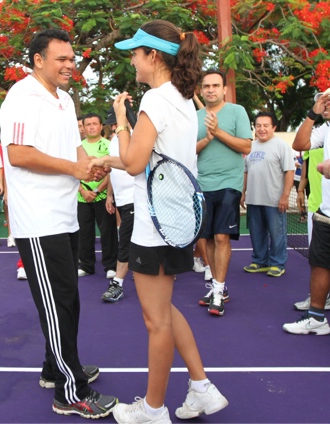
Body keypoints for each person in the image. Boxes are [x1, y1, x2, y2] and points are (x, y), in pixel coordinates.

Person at [92, 20, 228, 422]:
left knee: (155, 321)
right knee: (165, 311)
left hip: (155, 225)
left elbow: (134, 162)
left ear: (153, 55)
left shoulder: (154, 99)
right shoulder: (184, 100)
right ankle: (201, 387)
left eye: (135, 53)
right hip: (178, 220)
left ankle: (152, 409)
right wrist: (109, 159)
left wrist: (105, 157)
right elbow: (147, 160)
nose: (132, 60)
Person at [0, 29, 117, 419]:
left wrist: (88, 169)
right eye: (62, 59)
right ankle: (70, 392)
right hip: (38, 219)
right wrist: (74, 168)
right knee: (57, 303)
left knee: (68, 299)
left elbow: (75, 149)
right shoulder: (22, 97)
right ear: (38, 60)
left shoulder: (65, 99)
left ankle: (57, 367)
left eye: (72, 58)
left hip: (65, 214)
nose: (71, 65)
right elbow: (17, 154)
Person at [195, 69, 253, 316]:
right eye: (206, 86)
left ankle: (218, 290)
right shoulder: (194, 116)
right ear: (201, 89)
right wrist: (207, 139)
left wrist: (217, 132)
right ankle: (218, 286)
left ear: (224, 89)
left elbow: (246, 146)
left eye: (215, 85)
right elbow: (188, 150)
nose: (211, 90)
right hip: (202, 184)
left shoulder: (237, 112)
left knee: (221, 237)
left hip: (229, 183)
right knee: (206, 238)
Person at [283, 89, 330, 335]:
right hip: (326, 213)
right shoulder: (326, 129)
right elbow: (299, 144)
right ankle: (316, 318)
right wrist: (313, 114)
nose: (327, 104)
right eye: (324, 101)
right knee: (319, 264)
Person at [241, 112, 294, 278]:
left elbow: (290, 171)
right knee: (256, 232)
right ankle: (260, 261)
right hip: (254, 200)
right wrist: (243, 193)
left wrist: (285, 196)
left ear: (273, 128)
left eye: (265, 126)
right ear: (254, 128)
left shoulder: (281, 146)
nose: (261, 129)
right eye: (258, 126)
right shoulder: (250, 147)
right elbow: (246, 172)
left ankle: (278, 263)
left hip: (274, 201)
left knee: (277, 233)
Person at [77, 113, 118, 279]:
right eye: (88, 124)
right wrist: (83, 191)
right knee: (84, 233)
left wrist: (97, 191)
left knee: (107, 232)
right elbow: (72, 171)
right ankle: (86, 265)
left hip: (101, 197)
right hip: (82, 197)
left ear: (101, 126)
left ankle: (111, 266)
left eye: (95, 124)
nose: (91, 127)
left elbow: (112, 171)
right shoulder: (77, 147)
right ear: (83, 127)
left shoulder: (109, 145)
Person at [101, 117, 135, 303]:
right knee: (132, 239)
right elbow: (113, 170)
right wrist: (109, 195)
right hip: (121, 199)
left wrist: (103, 160)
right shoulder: (115, 140)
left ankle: (118, 283)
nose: (114, 127)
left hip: (136, 198)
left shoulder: (136, 137)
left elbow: (129, 163)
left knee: (126, 241)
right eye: (112, 124)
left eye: (117, 123)